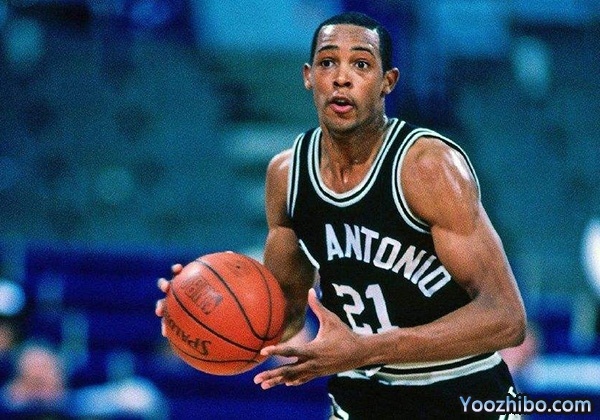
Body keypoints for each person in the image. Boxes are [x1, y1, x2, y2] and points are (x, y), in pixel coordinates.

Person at [156, 11, 526, 419]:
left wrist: (367, 349)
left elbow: (507, 318)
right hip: (361, 395)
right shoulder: (287, 176)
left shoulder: (427, 167)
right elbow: (282, 318)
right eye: (328, 62)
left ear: (388, 82)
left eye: (361, 64)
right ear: (308, 76)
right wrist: (198, 309)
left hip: (462, 392)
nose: (341, 78)